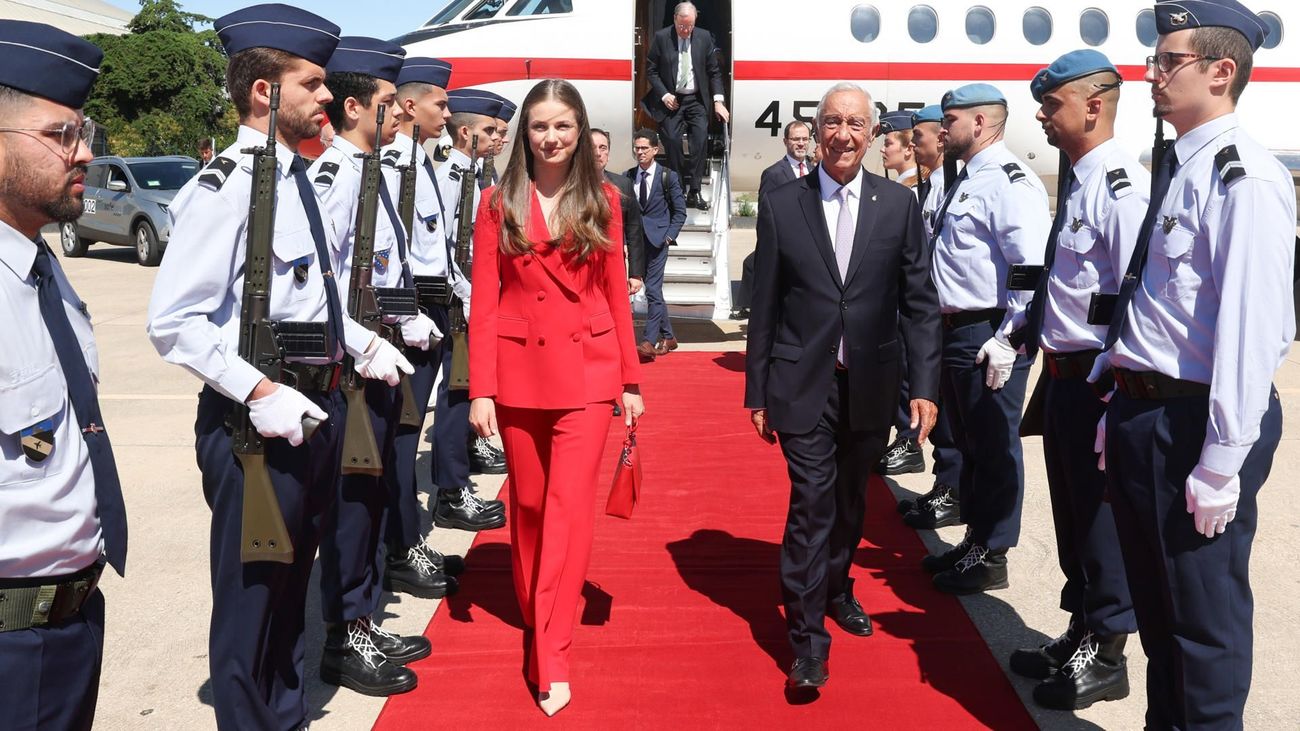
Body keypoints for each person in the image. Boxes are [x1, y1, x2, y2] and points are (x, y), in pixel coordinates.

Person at [145, 7, 412, 728]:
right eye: (313, 84)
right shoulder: (226, 186)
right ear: (265, 92)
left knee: (292, 600)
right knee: (254, 605)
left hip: (313, 415)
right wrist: (257, 389)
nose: (327, 99)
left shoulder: (296, 178)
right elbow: (173, 320)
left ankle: (284, 715)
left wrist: (359, 343)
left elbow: (311, 299)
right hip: (254, 432)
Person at [1094, 3, 1293, 727]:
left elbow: (1250, 331)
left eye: (1167, 59)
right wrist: (1119, 399)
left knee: (1202, 624)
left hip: (1197, 422)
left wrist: (1221, 462)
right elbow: (1157, 304)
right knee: (1160, 617)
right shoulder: (1184, 167)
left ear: (1220, 71)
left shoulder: (1247, 181)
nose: (1150, 72)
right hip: (1150, 412)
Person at [744, 82, 942, 695]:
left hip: (872, 384)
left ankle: (835, 586)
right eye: (833, 122)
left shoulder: (896, 205)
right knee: (813, 503)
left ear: (875, 132)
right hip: (802, 382)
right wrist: (756, 392)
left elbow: (919, 303)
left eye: (857, 124)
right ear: (818, 129)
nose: (844, 135)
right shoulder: (783, 202)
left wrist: (923, 385)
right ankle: (806, 642)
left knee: (852, 502)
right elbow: (767, 303)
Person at [467, 78, 644, 717]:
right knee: (532, 508)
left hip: (587, 378)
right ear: (525, 134)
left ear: (580, 130)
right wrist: (480, 388)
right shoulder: (495, 204)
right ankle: (537, 606)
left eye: (563, 126)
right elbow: (484, 303)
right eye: (540, 126)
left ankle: (552, 650)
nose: (552, 138)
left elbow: (616, 296)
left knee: (569, 514)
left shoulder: (607, 202)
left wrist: (629, 380)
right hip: (516, 377)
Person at [0, 20, 128, 729]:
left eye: (85, 133)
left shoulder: (44, 272)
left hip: (71, 624)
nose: (84, 154)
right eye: (60, 135)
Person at [1009, 49, 1141, 711]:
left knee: (1101, 520)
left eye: (1052, 103)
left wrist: (1114, 390)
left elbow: (1135, 300)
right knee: (1072, 516)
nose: (1041, 114)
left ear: (1093, 105)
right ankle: (1083, 623)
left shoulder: (1121, 186)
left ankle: (1110, 649)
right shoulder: (1085, 179)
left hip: (1096, 383)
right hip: (1062, 380)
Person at [308, 36, 435, 696]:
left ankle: (362, 611)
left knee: (372, 496)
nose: (401, 111)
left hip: (383, 361)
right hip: (354, 368)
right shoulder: (332, 181)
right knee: (351, 505)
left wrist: (407, 318)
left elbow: (380, 271)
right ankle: (342, 634)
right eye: (390, 103)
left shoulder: (371, 174)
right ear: (355, 107)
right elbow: (321, 288)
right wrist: (366, 342)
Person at [923, 84, 1049, 595]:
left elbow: (1027, 266)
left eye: (950, 120)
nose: (943, 129)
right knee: (973, 443)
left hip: (988, 331)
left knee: (995, 447)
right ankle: (975, 539)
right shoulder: (968, 178)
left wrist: (1010, 335)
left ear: (979, 124)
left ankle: (993, 551)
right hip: (958, 329)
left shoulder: (1008, 181)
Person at [379, 56, 469, 599]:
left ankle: (407, 536)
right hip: (404, 319)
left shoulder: (421, 163)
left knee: (405, 435)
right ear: (410, 106)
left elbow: (439, 249)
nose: (448, 112)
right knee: (399, 438)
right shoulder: (394, 165)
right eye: (440, 102)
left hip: (431, 311)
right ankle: (402, 543)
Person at [431, 89, 507, 532]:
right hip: (460, 299)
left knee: (464, 392)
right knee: (456, 395)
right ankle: (452, 490)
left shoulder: (473, 174)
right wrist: (473, 294)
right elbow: (444, 250)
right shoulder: (452, 177)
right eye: (490, 131)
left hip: (473, 295)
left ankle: (458, 481)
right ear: (466, 133)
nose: (498, 138)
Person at [896, 103, 965, 530]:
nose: (911, 143)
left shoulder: (949, 185)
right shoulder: (932, 184)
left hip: (949, 318)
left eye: (916, 136)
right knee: (939, 412)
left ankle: (952, 491)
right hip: (930, 317)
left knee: (953, 421)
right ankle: (944, 485)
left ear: (939, 138)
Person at [874, 110, 928, 477]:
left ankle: (909, 442)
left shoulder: (911, 193)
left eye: (889, 142)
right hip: (887, 301)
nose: (883, 150)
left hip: (904, 300)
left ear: (909, 149)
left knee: (907, 372)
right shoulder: (901, 191)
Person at [643, 1, 729, 210]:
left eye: (689, 26)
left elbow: (713, 72)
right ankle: (678, 186)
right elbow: (651, 70)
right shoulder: (662, 38)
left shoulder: (704, 37)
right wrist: (664, 95)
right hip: (672, 100)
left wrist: (718, 101)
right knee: (671, 141)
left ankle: (695, 191)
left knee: (700, 142)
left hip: (696, 100)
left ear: (694, 21)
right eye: (682, 26)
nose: (685, 30)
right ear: (675, 20)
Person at [734, 121, 812, 320]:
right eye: (796, 139)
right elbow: (766, 218)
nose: (801, 143)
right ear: (786, 141)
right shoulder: (774, 174)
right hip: (786, 250)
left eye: (805, 139)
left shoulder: (816, 170)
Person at [626, 128, 686, 361]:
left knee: (651, 289)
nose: (639, 152)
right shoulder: (629, 176)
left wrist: (669, 237)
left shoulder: (667, 177)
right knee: (654, 291)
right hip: (635, 242)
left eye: (644, 148)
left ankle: (648, 341)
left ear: (655, 149)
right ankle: (669, 336)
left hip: (658, 241)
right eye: (636, 148)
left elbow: (680, 212)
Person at [592, 127, 646, 294]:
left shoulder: (623, 185)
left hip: (612, 267)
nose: (598, 153)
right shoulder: (568, 185)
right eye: (592, 147)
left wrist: (635, 274)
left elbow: (634, 230)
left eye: (603, 148)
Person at [878, 110, 921, 188]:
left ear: (908, 149)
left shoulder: (913, 190)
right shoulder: (907, 185)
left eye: (888, 144)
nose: (882, 149)